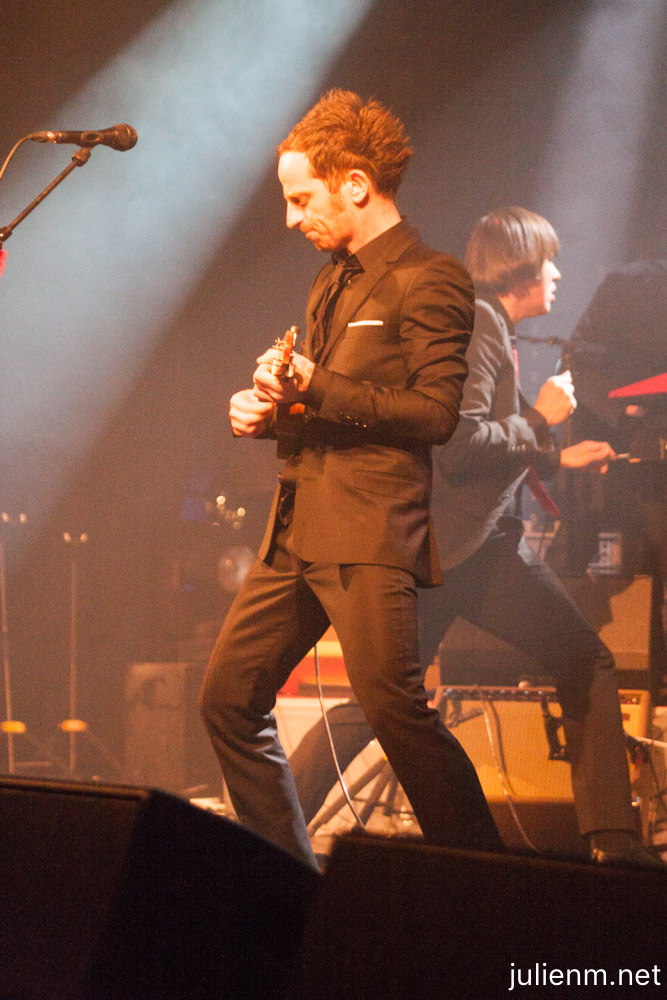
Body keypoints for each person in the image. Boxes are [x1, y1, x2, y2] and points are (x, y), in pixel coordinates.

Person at [290, 207, 662, 866]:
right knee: (579, 662)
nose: (557, 275)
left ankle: (271, 823)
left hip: (459, 545)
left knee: (385, 699)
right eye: (549, 263)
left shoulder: (486, 323)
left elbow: (486, 440)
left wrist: (557, 454)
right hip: (461, 548)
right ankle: (612, 841)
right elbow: (459, 444)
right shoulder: (481, 324)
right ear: (521, 269)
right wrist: (542, 419)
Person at [199, 90, 504, 869]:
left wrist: (316, 385)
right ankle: (285, 873)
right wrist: (271, 414)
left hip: (368, 530)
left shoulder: (431, 278)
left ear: (356, 186)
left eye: (302, 198)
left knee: (396, 713)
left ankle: (494, 882)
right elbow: (323, 405)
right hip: (295, 529)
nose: (291, 217)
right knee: (228, 700)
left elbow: (435, 415)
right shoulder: (329, 281)